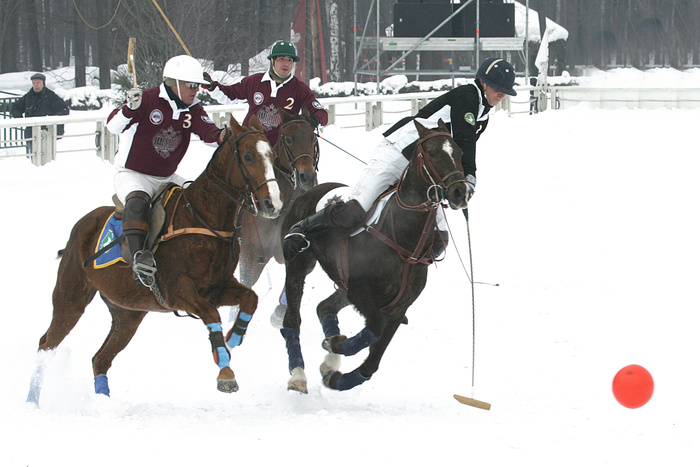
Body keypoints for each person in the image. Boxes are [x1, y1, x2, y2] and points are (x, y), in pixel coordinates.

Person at [283, 57, 517, 261]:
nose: (501, 94)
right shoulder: (468, 97)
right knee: (354, 211)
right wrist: (468, 178)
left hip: (424, 166)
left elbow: (456, 149)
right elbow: (465, 142)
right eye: (497, 87)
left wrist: (461, 181)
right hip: (399, 151)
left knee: (439, 239)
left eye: (505, 90)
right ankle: (301, 228)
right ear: (483, 82)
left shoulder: (483, 112)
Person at [106, 55, 228, 286]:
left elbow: (208, 132)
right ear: (174, 83)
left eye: (197, 85)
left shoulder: (193, 109)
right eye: (191, 85)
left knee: (201, 196)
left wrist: (224, 135)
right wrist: (129, 109)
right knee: (138, 201)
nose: (196, 90)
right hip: (133, 174)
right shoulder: (147, 100)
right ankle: (139, 258)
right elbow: (112, 126)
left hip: (167, 176)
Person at [203, 40, 328, 146]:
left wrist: (313, 120)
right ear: (272, 61)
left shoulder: (299, 88)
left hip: (280, 152)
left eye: (290, 60)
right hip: (249, 145)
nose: (286, 64)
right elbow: (229, 95)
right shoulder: (254, 81)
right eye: (281, 59)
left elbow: (321, 113)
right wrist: (212, 86)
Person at [10, 72, 70, 154]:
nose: (36, 85)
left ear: (43, 83)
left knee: (47, 158)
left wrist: (51, 121)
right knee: (32, 157)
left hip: (47, 133)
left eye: (38, 82)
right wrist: (21, 120)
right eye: (33, 83)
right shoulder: (28, 96)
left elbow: (64, 109)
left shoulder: (51, 96)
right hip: (31, 134)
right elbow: (15, 107)